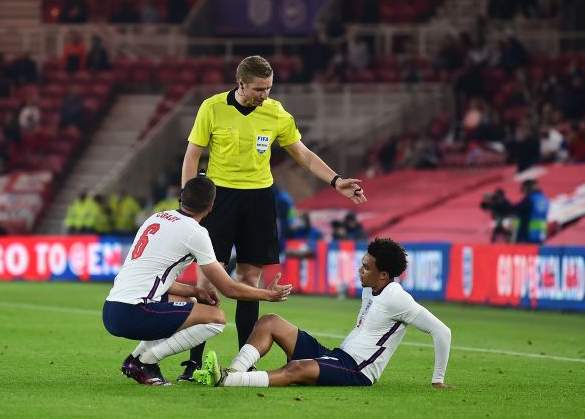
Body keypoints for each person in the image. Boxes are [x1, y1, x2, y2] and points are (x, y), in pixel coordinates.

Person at [181, 55, 367, 380]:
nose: (264, 95)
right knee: (208, 281)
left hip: (259, 201)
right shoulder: (212, 107)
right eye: (258, 89)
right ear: (240, 84)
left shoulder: (276, 112)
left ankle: (244, 363)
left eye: (268, 88)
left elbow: (304, 154)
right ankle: (194, 363)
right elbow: (192, 155)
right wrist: (188, 204)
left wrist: (336, 181)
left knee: (249, 281)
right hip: (219, 199)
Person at [102, 176, 292, 386]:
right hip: (133, 312)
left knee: (190, 303)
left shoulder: (156, 218)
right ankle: (146, 362)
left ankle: (134, 359)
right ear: (211, 206)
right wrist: (268, 294)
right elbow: (228, 288)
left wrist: (195, 291)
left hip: (111, 308)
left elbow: (154, 278)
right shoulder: (195, 232)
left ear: (181, 197)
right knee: (216, 319)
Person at [194, 238, 452, 389]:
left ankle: (228, 381)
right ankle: (233, 371)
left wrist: (437, 380)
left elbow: (442, 331)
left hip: (357, 372)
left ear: (383, 274)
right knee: (270, 321)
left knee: (296, 368)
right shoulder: (371, 289)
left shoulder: (397, 297)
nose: (360, 270)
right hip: (338, 356)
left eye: (366, 267)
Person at [509, 179, 549, 244]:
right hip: (540, 235)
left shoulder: (530, 200)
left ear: (528, 188)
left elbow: (514, 209)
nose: (525, 193)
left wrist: (502, 203)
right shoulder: (543, 199)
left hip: (528, 236)